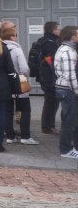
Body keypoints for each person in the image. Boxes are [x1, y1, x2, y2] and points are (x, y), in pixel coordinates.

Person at [1, 27, 39, 145]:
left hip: (5, 84)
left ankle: (10, 136)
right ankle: (25, 136)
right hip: (18, 83)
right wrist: (26, 74)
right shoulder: (17, 49)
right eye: (15, 35)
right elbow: (24, 68)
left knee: (8, 111)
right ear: (12, 37)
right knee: (24, 109)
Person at [53, 26, 78, 159]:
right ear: (71, 36)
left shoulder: (66, 49)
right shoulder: (68, 51)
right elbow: (70, 75)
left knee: (72, 119)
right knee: (69, 120)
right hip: (67, 89)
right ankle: (66, 149)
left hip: (65, 88)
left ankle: (71, 147)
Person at [37, 21, 61, 134]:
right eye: (58, 29)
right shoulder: (50, 43)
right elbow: (51, 61)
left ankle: (49, 125)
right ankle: (47, 126)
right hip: (50, 77)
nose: (60, 31)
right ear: (53, 30)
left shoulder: (43, 40)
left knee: (51, 101)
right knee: (51, 102)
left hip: (45, 76)